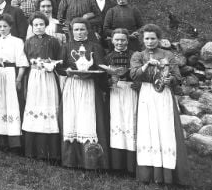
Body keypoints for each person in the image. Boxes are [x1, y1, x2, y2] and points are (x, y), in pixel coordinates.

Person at [129, 24, 189, 185]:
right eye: (147, 38)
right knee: (148, 129)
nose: (150, 41)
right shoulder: (138, 55)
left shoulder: (168, 55)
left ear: (159, 39)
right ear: (143, 39)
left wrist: (172, 80)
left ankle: (168, 173)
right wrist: (147, 65)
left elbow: (178, 76)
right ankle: (147, 174)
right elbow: (134, 74)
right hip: (147, 94)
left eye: (153, 38)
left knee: (165, 130)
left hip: (163, 95)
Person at [56, 18, 109, 170]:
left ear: (88, 30)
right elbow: (59, 67)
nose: (79, 33)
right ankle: (70, 160)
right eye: (76, 30)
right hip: (72, 86)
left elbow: (100, 69)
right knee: (72, 119)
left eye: (82, 29)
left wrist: (89, 74)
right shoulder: (66, 46)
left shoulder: (95, 47)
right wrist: (67, 71)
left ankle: (91, 161)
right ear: (72, 31)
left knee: (88, 120)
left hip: (89, 87)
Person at [21, 12, 63, 161]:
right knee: (35, 105)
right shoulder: (28, 42)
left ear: (46, 25)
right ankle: (32, 150)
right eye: (35, 25)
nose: (38, 27)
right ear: (31, 27)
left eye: (41, 25)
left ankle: (50, 151)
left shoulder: (53, 41)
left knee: (48, 105)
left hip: (48, 77)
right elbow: (25, 60)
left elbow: (59, 59)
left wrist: (51, 64)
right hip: (34, 77)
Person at [0, 14, 29, 150]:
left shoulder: (17, 41)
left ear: (10, 27)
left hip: (11, 74)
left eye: (5, 26)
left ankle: (13, 142)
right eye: (0, 27)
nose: (2, 29)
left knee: (11, 105)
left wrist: (19, 79)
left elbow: (22, 62)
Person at [103, 29, 138, 175]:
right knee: (116, 123)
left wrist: (138, 82)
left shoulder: (134, 56)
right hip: (115, 92)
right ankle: (116, 164)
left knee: (130, 122)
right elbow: (102, 78)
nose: (120, 42)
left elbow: (140, 73)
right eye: (117, 40)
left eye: (123, 40)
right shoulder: (108, 57)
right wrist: (110, 80)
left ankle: (131, 165)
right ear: (112, 41)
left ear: (127, 41)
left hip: (130, 91)